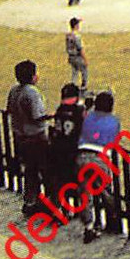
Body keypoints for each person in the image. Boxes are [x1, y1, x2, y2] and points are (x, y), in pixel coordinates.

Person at [6, 60, 51, 216]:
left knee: (29, 171)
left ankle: (31, 201)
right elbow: (37, 116)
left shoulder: (14, 91)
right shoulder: (32, 92)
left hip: (20, 136)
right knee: (44, 170)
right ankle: (49, 202)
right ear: (33, 76)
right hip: (35, 137)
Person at [75, 90, 121, 243]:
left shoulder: (87, 116)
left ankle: (88, 226)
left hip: (82, 156)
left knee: (84, 193)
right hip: (100, 157)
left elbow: (81, 112)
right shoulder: (114, 121)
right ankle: (113, 220)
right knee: (106, 191)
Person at [48, 83, 87, 216]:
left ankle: (61, 209)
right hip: (71, 150)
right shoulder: (78, 110)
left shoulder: (60, 109)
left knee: (59, 181)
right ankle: (76, 209)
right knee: (75, 180)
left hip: (57, 149)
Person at [65, 16, 89, 89]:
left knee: (74, 72)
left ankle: (73, 86)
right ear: (76, 26)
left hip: (71, 56)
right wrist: (85, 59)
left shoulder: (68, 35)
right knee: (84, 71)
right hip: (78, 57)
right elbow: (80, 49)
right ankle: (83, 86)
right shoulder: (77, 36)